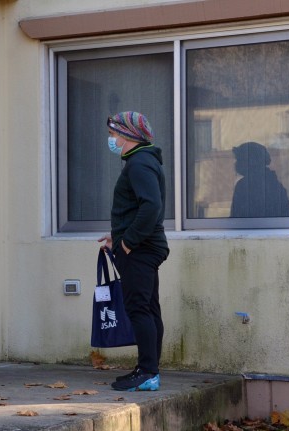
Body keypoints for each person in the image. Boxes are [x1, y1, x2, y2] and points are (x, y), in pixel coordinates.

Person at [98, 111, 169, 392]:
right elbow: (139, 208)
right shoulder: (141, 161)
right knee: (149, 309)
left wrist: (127, 243)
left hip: (140, 250)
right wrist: (119, 237)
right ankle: (147, 368)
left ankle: (149, 372)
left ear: (128, 136)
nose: (111, 139)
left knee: (140, 309)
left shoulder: (139, 163)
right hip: (144, 246)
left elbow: (151, 207)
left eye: (114, 134)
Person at [230, 141, 289, 218]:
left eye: (239, 160)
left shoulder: (243, 186)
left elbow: (236, 221)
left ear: (250, 162)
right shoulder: (276, 185)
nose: (235, 163)